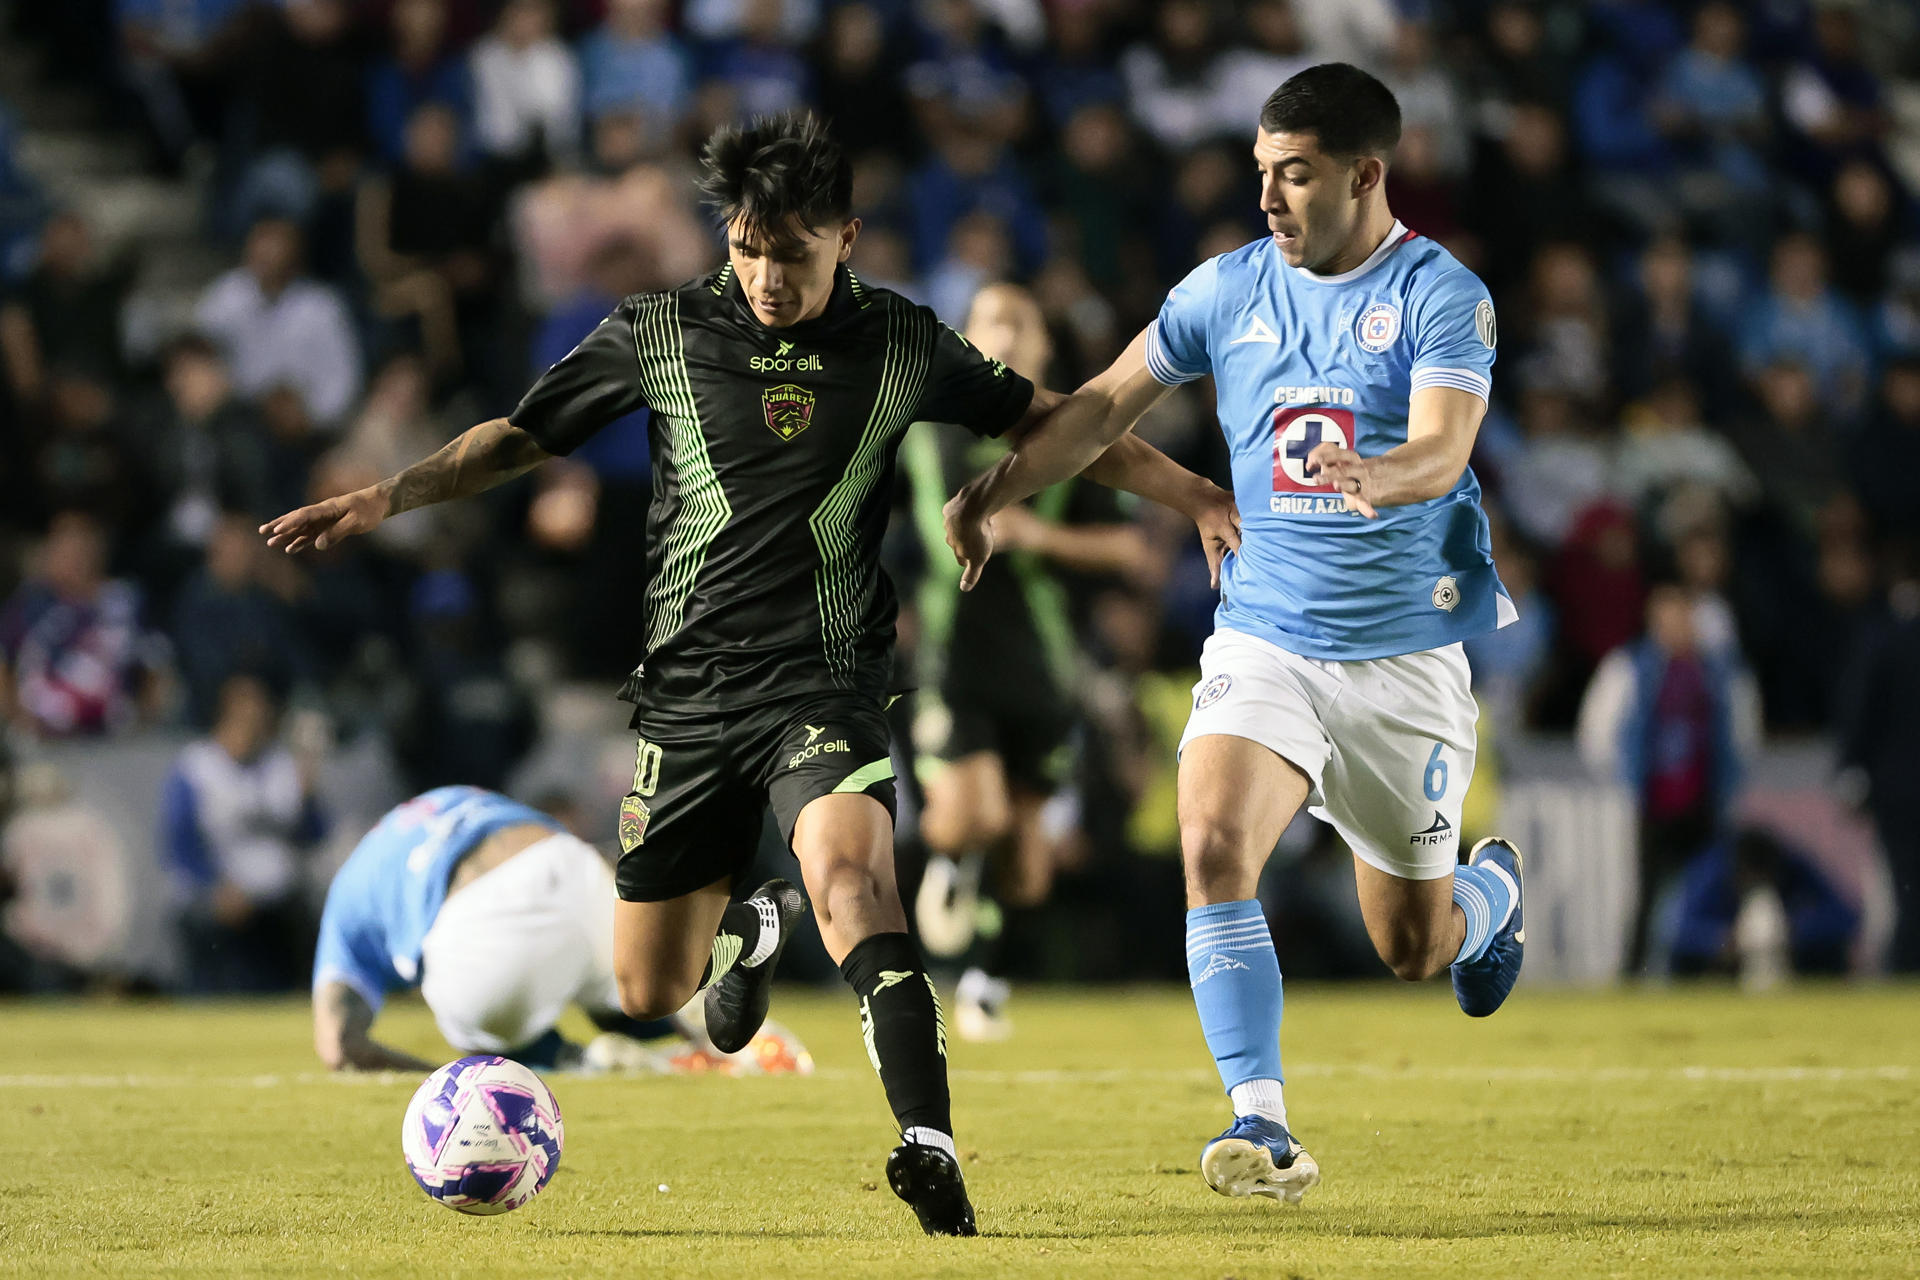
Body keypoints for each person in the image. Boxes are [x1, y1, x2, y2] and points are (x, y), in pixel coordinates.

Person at [263, 111, 1238, 1236]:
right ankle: (747, 930)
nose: (767, 276)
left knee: (854, 882)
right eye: (746, 248)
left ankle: (928, 1145)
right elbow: (522, 436)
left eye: (793, 253)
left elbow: (1060, 424)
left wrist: (1193, 493)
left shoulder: (900, 340)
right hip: (684, 695)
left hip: (825, 679)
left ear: (846, 238)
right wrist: (388, 495)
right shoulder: (662, 330)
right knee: (650, 990)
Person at [944, 64, 1527, 1206]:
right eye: (1261, 171)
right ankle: (1263, 1121)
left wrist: (1381, 474)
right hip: (1265, 635)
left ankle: (1489, 900)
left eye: (1294, 174)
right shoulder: (1225, 288)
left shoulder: (1441, 293)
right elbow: (1098, 408)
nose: (1266, 197)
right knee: (1211, 840)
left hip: (1403, 659)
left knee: (1411, 945)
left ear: (1365, 175)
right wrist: (996, 490)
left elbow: (1444, 448)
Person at [907, 282, 1148, 1041]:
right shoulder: (920, 425)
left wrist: (1040, 537)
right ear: (966, 336)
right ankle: (950, 866)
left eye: (1020, 324)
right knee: (971, 815)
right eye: (990, 322)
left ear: (1043, 345)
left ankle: (983, 975)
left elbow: (1130, 547)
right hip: (950, 659)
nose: (1005, 336)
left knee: (1026, 865)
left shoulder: (1070, 433)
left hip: (1043, 668)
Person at [312, 785, 808, 1074]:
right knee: (627, 986)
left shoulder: (347, 901)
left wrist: (438, 1083)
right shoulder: (448, 798)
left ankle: (582, 1061)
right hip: (573, 868)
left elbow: (339, 1046)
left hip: (480, 935)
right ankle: (720, 1025)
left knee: (470, 1023)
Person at [164, 672, 327, 993]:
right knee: (201, 925)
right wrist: (216, 887)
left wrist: (308, 797)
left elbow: (313, 836)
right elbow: (179, 844)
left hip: (276, 900)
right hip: (214, 893)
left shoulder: (282, 765)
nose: (252, 723)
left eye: (258, 714)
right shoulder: (197, 767)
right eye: (244, 715)